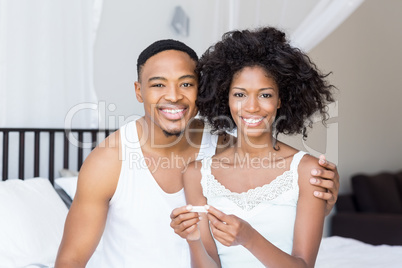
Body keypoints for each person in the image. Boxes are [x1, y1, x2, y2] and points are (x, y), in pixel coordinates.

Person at [55, 39, 339, 267]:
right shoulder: (108, 161)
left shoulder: (224, 144)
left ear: (201, 90)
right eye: (158, 84)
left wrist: (321, 199)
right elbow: (71, 260)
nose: (174, 96)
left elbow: (274, 185)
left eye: (186, 84)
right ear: (139, 91)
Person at [170, 27, 336, 267]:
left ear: (280, 99)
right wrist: (193, 239)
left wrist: (248, 238)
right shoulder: (196, 174)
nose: (251, 107)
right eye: (239, 94)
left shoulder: (307, 171)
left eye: (265, 95)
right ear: (225, 98)